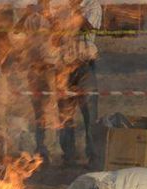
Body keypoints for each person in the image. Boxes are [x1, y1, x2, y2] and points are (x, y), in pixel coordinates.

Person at [58, 0, 102, 167]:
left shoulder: (93, 5)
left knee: (89, 114)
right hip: (65, 67)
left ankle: (93, 156)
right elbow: (56, 35)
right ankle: (68, 155)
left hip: (85, 66)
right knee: (65, 114)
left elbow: (88, 27)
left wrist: (74, 10)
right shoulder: (64, 8)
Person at [17, 0, 59, 163]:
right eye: (41, 3)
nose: (44, 6)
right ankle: (41, 149)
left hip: (49, 69)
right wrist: (25, 15)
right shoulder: (32, 19)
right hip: (34, 69)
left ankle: (51, 148)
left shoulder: (55, 20)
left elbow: (59, 40)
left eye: (46, 3)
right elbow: (17, 30)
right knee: (38, 112)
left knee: (51, 110)